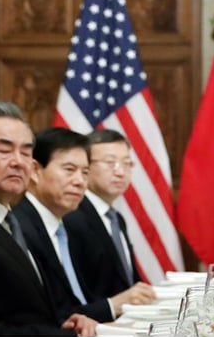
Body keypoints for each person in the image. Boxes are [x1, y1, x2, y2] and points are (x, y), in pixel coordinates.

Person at [0, 101, 96, 337]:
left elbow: (28, 309)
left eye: (26, 151)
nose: (19, 161)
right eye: (4, 150)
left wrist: (67, 323)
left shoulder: (12, 219)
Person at [14, 127, 153, 322]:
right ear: (35, 171)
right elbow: (46, 316)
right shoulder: (19, 227)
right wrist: (112, 306)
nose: (80, 181)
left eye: (84, 172)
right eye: (69, 170)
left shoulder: (57, 226)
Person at [63, 129, 157, 304]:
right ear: (86, 166)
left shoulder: (116, 219)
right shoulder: (71, 217)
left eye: (126, 163)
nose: (120, 172)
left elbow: (129, 282)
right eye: (110, 163)